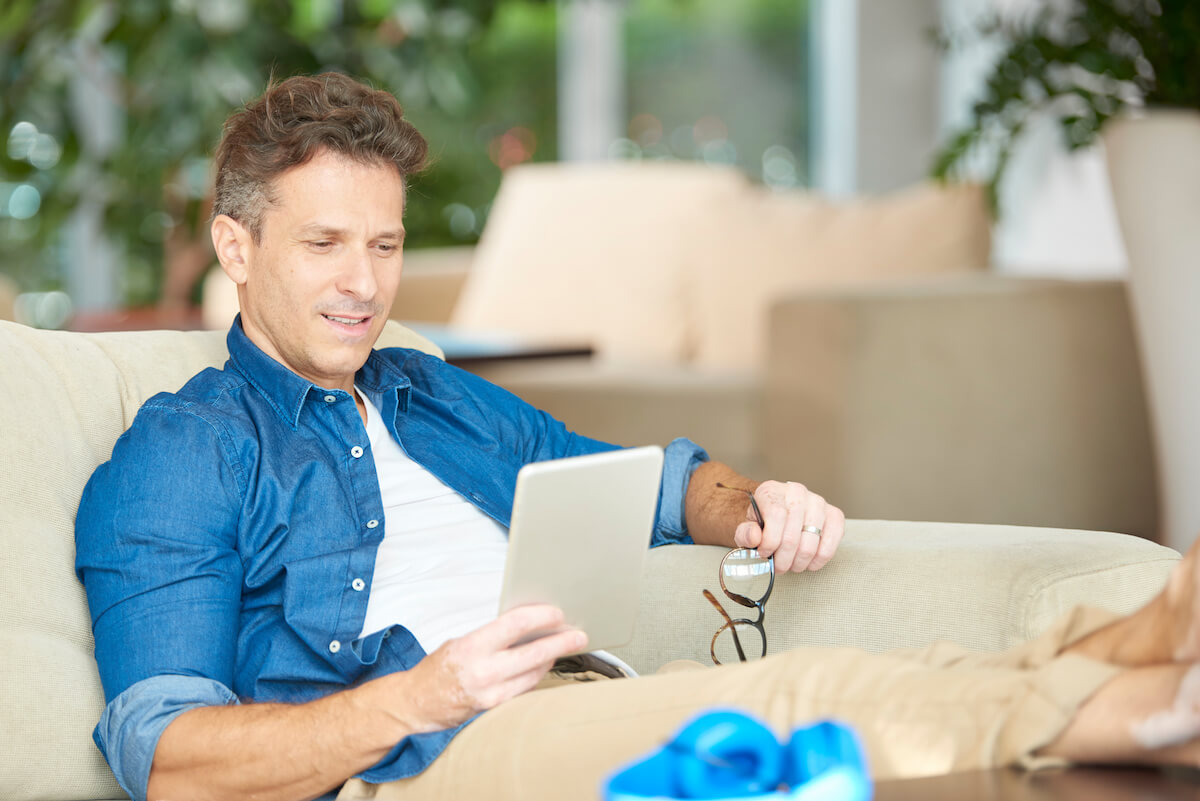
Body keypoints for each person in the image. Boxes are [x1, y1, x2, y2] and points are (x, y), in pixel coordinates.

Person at [75, 73, 1200, 801]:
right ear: (234, 247)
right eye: (325, 244)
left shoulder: (434, 393)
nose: (364, 285)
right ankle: (1152, 702)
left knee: (869, 676)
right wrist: (424, 696)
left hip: (583, 698)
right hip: (428, 763)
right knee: (785, 718)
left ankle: (1151, 649)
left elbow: (654, 487)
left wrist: (751, 501)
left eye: (385, 245)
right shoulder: (185, 452)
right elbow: (167, 761)